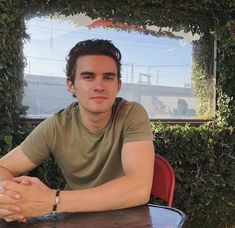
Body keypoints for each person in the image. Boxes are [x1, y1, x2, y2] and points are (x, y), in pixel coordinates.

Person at [0, 39, 155, 222]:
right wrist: (11, 198)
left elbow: (138, 189)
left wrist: (52, 200)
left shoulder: (131, 114)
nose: (99, 86)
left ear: (118, 85)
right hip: (75, 219)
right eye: (88, 77)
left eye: (108, 77)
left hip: (126, 219)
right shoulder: (57, 126)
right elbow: (4, 167)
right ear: (71, 85)